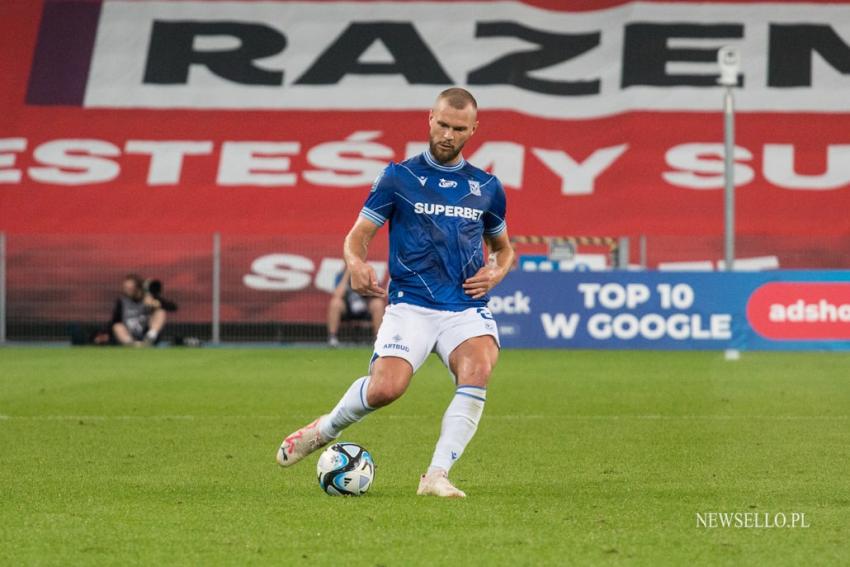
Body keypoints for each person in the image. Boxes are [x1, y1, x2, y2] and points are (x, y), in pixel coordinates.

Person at [277, 88, 514, 498]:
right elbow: (358, 237)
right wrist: (355, 263)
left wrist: (495, 273)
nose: (448, 135)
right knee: (387, 388)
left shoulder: (487, 187)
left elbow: (505, 249)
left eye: (459, 129)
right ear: (429, 119)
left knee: (479, 369)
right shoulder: (397, 178)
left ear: (473, 130)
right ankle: (324, 429)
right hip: (412, 305)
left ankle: (436, 476)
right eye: (442, 124)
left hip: (464, 307)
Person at [327, 268, 386, 347]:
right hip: (348, 308)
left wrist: (367, 283)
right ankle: (332, 338)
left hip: (365, 306)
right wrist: (347, 275)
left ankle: (378, 340)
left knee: (378, 304)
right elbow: (337, 294)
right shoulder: (340, 275)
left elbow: (377, 294)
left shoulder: (368, 273)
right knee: (335, 303)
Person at [111, 274, 173, 346]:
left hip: (146, 332)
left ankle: (150, 338)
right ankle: (131, 344)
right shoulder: (122, 301)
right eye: (126, 288)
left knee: (160, 312)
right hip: (129, 334)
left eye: (130, 288)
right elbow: (115, 321)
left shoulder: (150, 298)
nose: (127, 291)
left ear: (137, 288)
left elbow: (172, 307)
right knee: (117, 326)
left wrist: (156, 304)